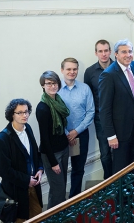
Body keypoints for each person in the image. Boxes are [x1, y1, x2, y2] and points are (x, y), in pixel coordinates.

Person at [99, 39, 134, 174]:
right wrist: (111, 136)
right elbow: (104, 109)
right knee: (121, 169)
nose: (128, 55)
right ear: (116, 54)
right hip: (119, 131)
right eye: (124, 52)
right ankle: (121, 196)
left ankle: (132, 193)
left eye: (130, 51)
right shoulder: (108, 75)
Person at [0, 99, 43, 221]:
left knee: (38, 216)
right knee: (20, 219)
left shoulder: (28, 128)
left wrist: (40, 169)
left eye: (26, 112)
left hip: (34, 187)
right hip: (16, 191)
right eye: (20, 113)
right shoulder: (3, 138)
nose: (25, 115)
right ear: (12, 114)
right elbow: (3, 170)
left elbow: (36, 154)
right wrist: (26, 180)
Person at [58, 57, 95, 198]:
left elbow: (90, 112)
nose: (72, 72)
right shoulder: (56, 89)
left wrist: (76, 131)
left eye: (74, 69)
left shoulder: (85, 88)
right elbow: (54, 114)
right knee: (60, 171)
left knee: (78, 169)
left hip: (81, 134)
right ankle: (61, 203)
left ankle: (74, 199)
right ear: (62, 70)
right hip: (61, 135)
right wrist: (67, 133)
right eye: (68, 69)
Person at [36, 71, 70, 209]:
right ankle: (52, 217)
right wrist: (53, 162)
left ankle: (62, 215)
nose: (52, 86)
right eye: (48, 83)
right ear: (43, 86)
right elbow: (44, 138)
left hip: (63, 148)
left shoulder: (58, 101)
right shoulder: (42, 108)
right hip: (52, 154)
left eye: (54, 83)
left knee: (62, 186)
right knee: (58, 190)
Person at [84, 39, 114, 180]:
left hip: (118, 117)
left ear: (110, 51)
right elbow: (88, 98)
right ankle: (108, 182)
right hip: (100, 118)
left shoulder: (118, 67)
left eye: (106, 50)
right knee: (105, 153)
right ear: (96, 53)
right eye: (100, 51)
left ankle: (120, 181)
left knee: (119, 152)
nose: (104, 54)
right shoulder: (90, 72)